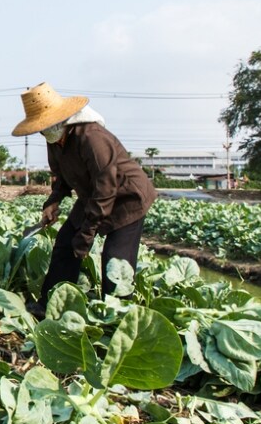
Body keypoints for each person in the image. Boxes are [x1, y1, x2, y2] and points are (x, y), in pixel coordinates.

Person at [12, 83, 156, 319]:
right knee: (65, 244)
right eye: (40, 128)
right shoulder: (54, 141)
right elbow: (61, 177)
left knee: (115, 259)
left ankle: (117, 317)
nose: (43, 132)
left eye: (46, 126)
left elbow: (106, 188)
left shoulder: (92, 138)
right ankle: (50, 303)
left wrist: (86, 236)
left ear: (62, 119)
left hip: (127, 198)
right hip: (93, 195)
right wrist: (53, 200)